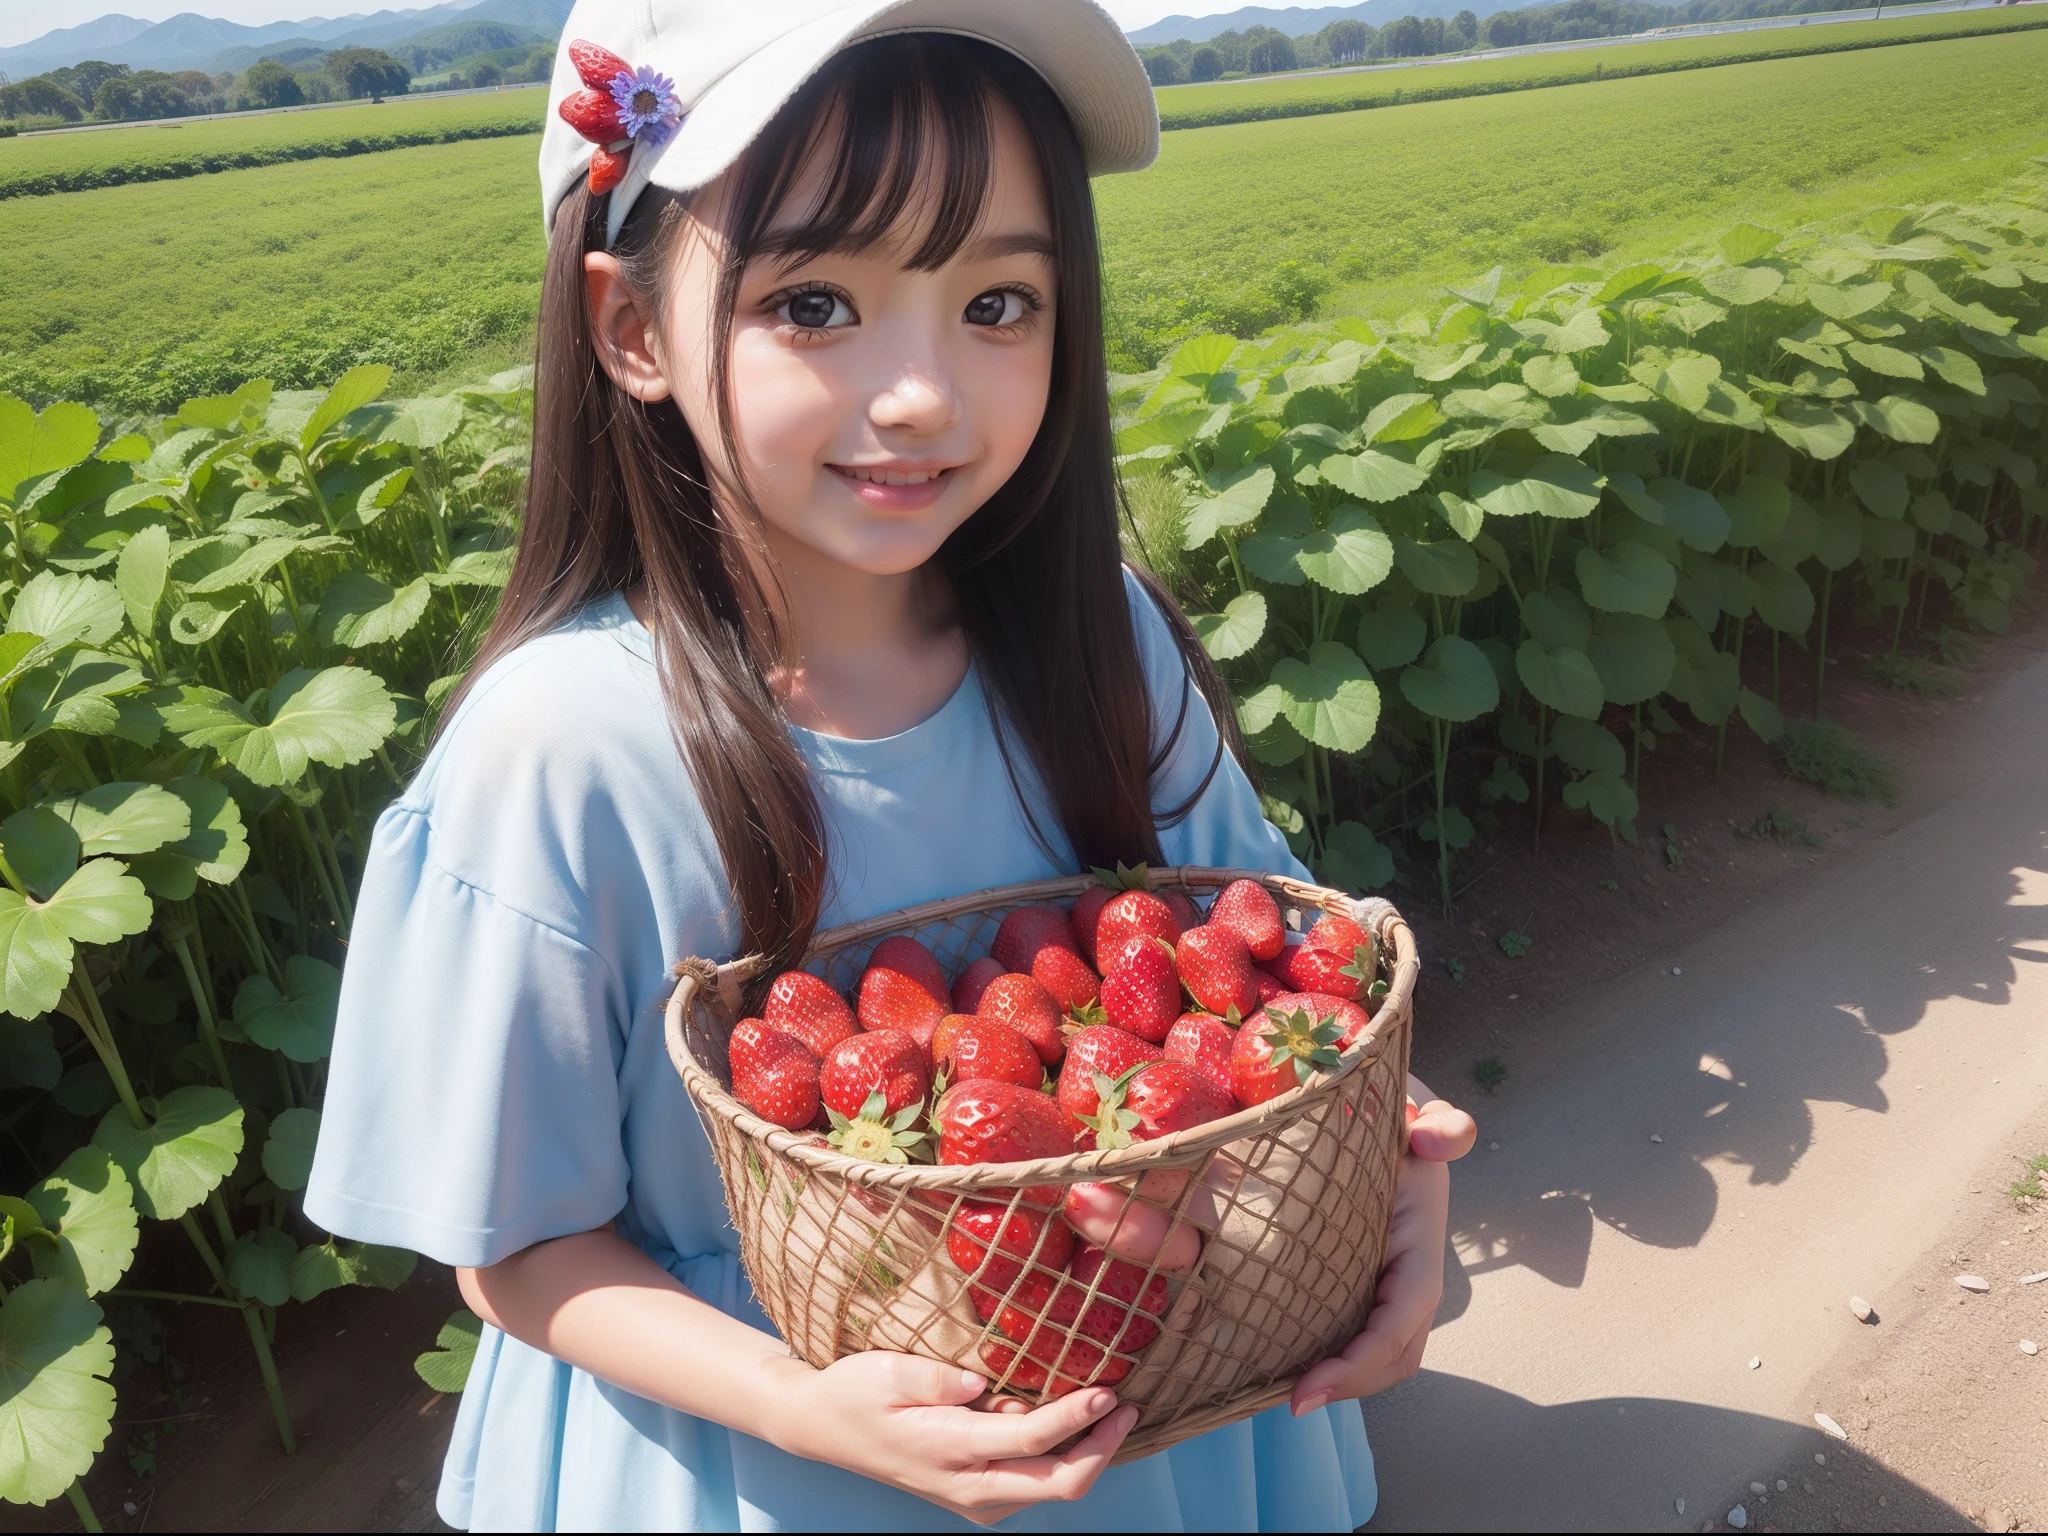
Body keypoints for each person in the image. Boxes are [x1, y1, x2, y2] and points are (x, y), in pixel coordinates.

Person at [305, 1, 1477, 1528]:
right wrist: (800, 1405)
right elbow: (517, 1249)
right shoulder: (561, 754)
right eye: (815, 303)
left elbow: (1265, 999)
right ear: (633, 329)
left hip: (1151, 1398)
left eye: (999, 305)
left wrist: (1384, 1171)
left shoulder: (1101, 639)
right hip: (761, 1449)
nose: (922, 390)